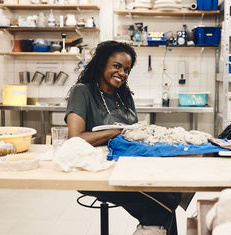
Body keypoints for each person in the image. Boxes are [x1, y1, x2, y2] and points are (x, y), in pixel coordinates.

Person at [65, 41, 181, 235]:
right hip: (94, 171)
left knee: (171, 193)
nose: (122, 73)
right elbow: (75, 139)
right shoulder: (83, 91)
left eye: (127, 70)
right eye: (117, 66)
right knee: (163, 204)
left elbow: (134, 133)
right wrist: (117, 132)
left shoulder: (124, 96)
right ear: (102, 63)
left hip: (127, 167)